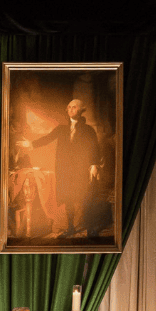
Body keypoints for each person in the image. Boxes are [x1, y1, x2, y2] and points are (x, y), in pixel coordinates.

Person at [17, 98, 105, 238]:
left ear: (81, 111)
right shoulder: (62, 129)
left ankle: (90, 229)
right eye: (69, 107)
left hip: (81, 170)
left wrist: (94, 165)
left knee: (85, 198)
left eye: (74, 107)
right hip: (64, 169)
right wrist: (31, 144)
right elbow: (48, 138)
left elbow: (94, 148)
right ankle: (70, 228)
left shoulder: (88, 130)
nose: (70, 109)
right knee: (68, 199)